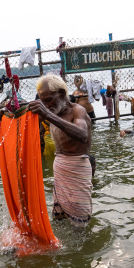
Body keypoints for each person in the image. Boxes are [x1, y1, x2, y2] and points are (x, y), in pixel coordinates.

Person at [28, 75, 93, 226]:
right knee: (59, 219)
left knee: (80, 225)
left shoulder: (78, 111)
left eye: (49, 99)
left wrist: (48, 115)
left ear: (62, 94)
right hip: (59, 169)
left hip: (77, 169)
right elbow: (23, 123)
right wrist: (6, 117)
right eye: (42, 101)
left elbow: (82, 134)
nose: (46, 105)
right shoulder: (53, 112)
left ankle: (82, 249)